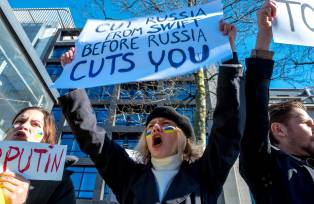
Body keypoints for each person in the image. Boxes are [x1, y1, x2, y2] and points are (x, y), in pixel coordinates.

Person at [59, 21, 245, 203]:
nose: (155, 128)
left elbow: (227, 129)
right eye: (149, 128)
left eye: (166, 126)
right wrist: (71, 81)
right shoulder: (129, 177)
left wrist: (228, 55)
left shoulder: (205, 173)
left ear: (184, 140)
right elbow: (93, 139)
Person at [239, 0, 314, 203]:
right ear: (279, 130)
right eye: (307, 123)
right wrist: (264, 36)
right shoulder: (268, 169)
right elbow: (254, 115)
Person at [1, 107, 76, 204]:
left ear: (45, 138)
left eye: (36, 124)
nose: (24, 126)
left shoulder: (59, 182)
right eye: (20, 121)